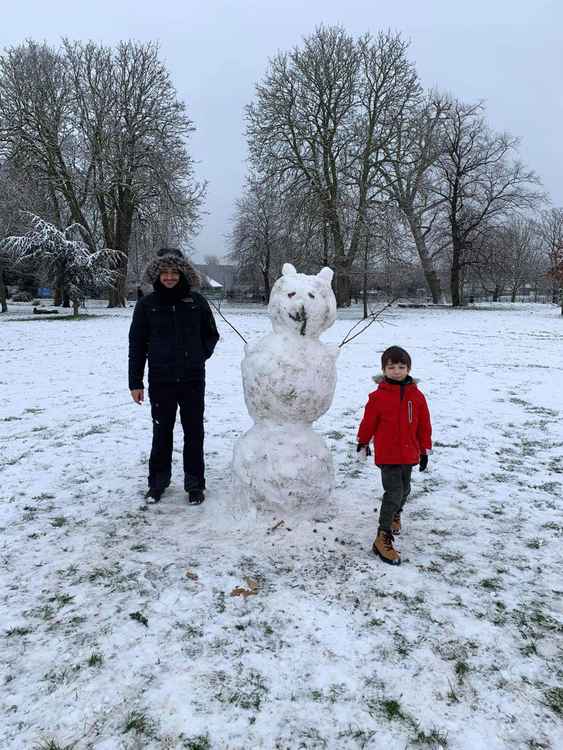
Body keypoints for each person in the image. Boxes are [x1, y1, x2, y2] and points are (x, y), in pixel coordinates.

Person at [128, 248, 219, 505]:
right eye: (164, 272)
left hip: (192, 380)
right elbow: (136, 344)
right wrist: (135, 382)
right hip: (161, 380)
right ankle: (158, 483)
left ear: (183, 273)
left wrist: (198, 356)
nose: (169, 277)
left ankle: (194, 484)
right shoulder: (147, 305)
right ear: (157, 274)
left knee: (194, 431)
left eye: (174, 272)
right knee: (162, 431)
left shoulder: (196, 302)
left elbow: (211, 335)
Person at [356, 346, 432, 565]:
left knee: (405, 489)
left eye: (402, 367)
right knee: (394, 491)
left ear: (409, 368)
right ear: (384, 369)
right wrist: (363, 441)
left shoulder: (416, 397)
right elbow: (368, 422)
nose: (397, 371)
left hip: (409, 452)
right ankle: (382, 536)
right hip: (388, 453)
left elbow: (424, 425)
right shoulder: (378, 397)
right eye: (392, 367)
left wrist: (425, 448)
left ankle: (396, 513)